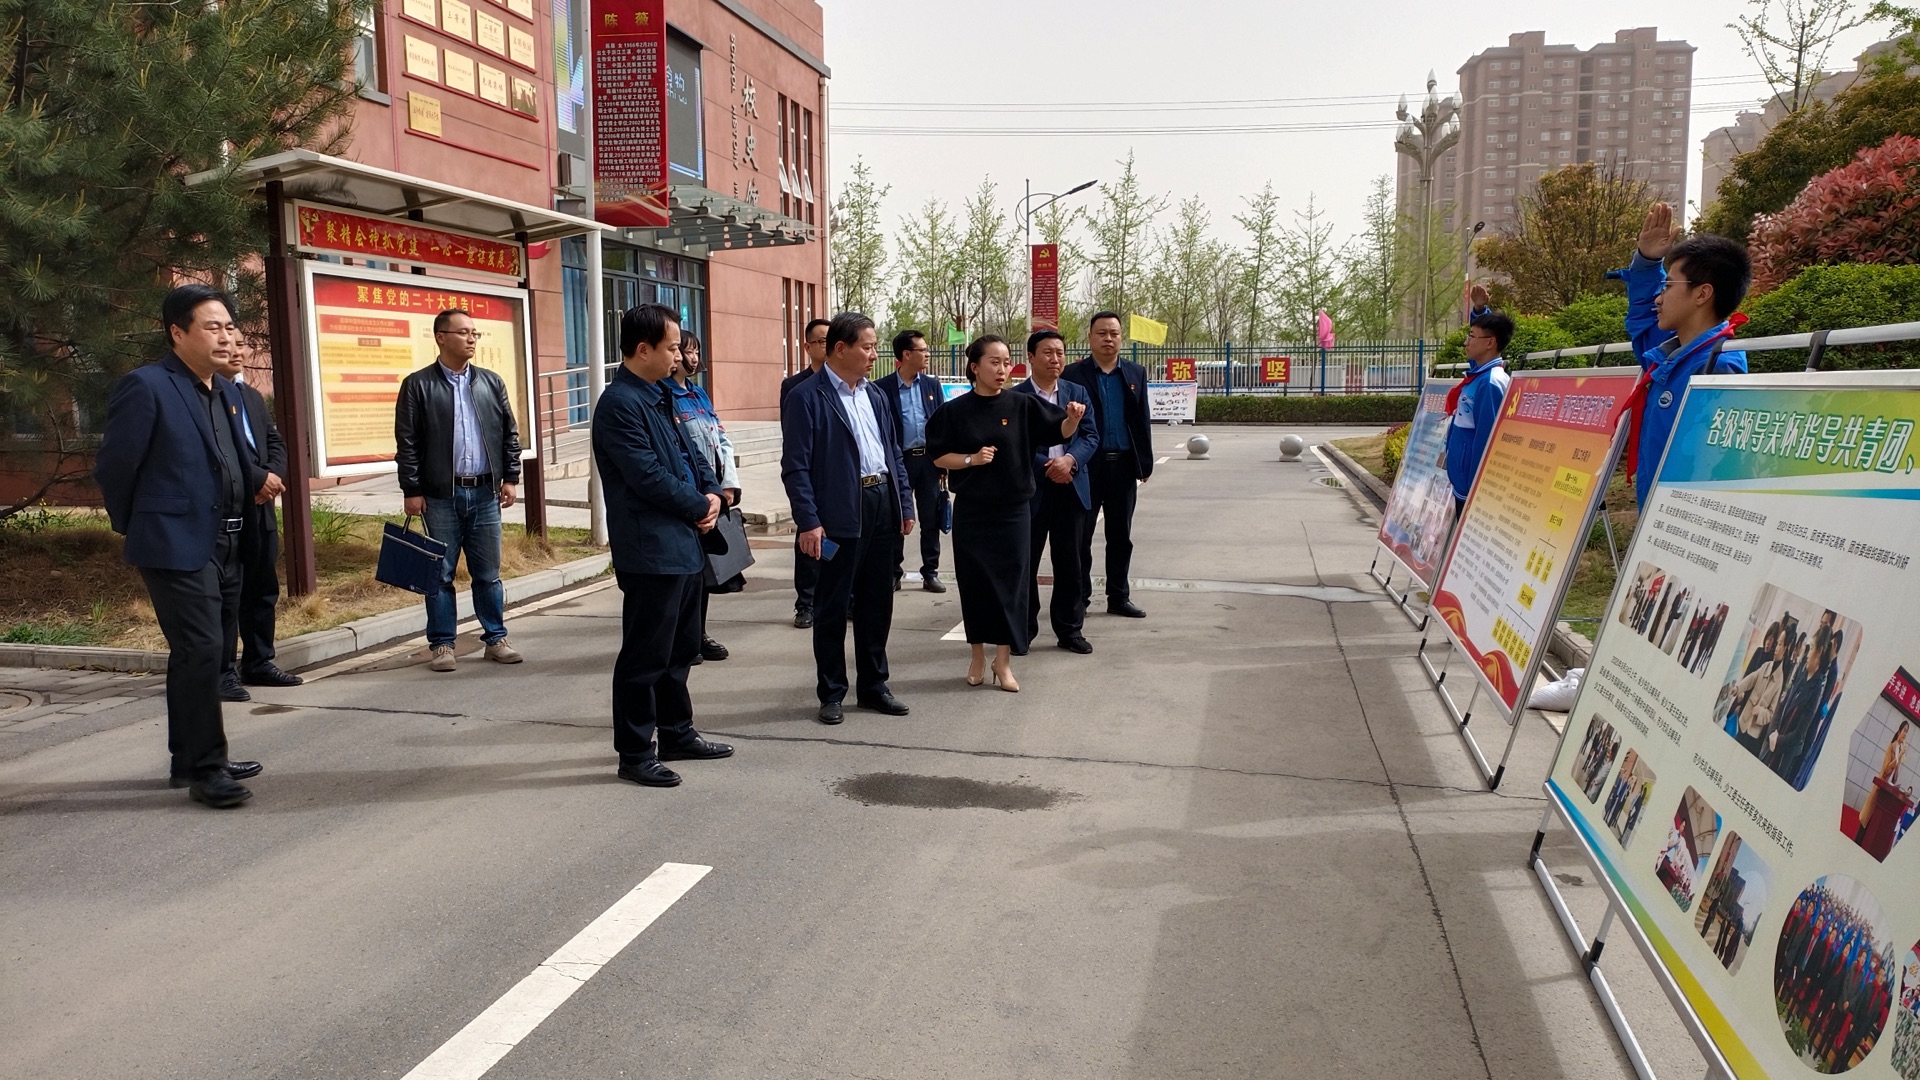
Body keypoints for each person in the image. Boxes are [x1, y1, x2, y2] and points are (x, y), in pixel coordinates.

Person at [94, 284, 264, 808]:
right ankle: (206, 769)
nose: (225, 336)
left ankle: (190, 758)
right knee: (201, 648)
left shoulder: (224, 391)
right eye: (212, 327)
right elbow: (115, 467)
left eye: (229, 326)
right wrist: (140, 525)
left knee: (206, 652)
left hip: (226, 538)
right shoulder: (147, 386)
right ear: (177, 332)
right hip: (174, 541)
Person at [591, 303, 734, 788]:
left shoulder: (661, 395)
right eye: (672, 347)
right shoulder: (619, 404)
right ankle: (635, 752)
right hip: (651, 549)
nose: (679, 355)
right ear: (643, 349)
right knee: (645, 657)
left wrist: (713, 493)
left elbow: (693, 453)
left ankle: (677, 733)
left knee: (680, 651)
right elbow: (647, 476)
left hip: (685, 544)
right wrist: (698, 505)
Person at [926, 335, 1086, 691]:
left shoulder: (1022, 404)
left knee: (1011, 587)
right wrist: (971, 460)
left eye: (1006, 362)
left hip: (1013, 512)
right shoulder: (954, 411)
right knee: (975, 585)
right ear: (975, 367)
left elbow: (1057, 429)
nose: (1002, 369)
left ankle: (1003, 661)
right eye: (994, 362)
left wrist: (1073, 420)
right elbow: (938, 455)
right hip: (973, 512)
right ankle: (977, 656)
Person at [781, 312, 915, 724]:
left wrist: (904, 502)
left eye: (875, 347)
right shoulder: (807, 397)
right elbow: (796, 466)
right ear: (840, 349)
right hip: (838, 511)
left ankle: (874, 685)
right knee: (833, 605)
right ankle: (832, 691)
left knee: (877, 603)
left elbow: (893, 453)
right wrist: (809, 521)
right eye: (867, 347)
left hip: (881, 503)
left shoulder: (875, 395)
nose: (874, 354)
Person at [394, 307, 525, 672]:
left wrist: (510, 477)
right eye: (464, 332)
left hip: (485, 493)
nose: (471, 338)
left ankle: (495, 638)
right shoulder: (418, 385)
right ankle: (442, 644)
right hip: (440, 495)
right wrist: (412, 489)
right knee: (440, 574)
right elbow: (407, 443)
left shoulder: (490, 382)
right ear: (441, 337)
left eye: (474, 333)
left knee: (488, 573)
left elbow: (509, 434)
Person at [1618, 203, 1752, 508]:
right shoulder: (1672, 356)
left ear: (1702, 294)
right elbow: (1643, 322)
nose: (1658, 298)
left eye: (1667, 286)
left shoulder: (1716, 370)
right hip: (1657, 515)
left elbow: (1709, 469)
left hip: (1681, 521)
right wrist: (1647, 262)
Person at [211, 345, 302, 701]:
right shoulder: (207, 396)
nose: (236, 351)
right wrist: (257, 479)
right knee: (227, 595)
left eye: (240, 343)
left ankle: (259, 661)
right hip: (229, 507)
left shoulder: (249, 395)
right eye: (226, 343)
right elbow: (217, 452)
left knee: (262, 588)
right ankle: (222, 672)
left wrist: (272, 476)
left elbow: (274, 442)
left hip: (261, 508)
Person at [1061, 311, 1153, 619]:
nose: (1108, 339)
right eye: (1102, 333)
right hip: (1087, 466)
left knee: (1120, 536)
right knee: (1081, 536)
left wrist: (1144, 463)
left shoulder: (1135, 373)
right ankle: (1080, 598)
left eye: (1114, 333)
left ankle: (1118, 596)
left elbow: (1141, 420)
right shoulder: (1073, 374)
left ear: (1121, 338)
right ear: (1090, 337)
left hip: (1123, 465)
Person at [1014, 330, 1099, 655]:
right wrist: (1048, 465)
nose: (1055, 359)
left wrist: (1070, 461)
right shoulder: (1018, 397)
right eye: (1047, 353)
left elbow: (1090, 436)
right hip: (1033, 489)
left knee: (1071, 562)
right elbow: (1015, 443)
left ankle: (1070, 630)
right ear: (1031, 357)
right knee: (1026, 563)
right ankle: (1024, 630)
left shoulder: (1077, 392)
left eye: (1060, 353)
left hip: (1071, 487)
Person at [667, 330, 740, 664]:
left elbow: (720, 439)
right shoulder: (664, 396)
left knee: (705, 571)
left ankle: (698, 633)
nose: (693, 358)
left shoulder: (698, 395)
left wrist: (727, 485)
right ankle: (681, 637)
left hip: (710, 494)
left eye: (697, 351)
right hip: (687, 496)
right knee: (686, 573)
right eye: (686, 351)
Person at [874, 329, 949, 593]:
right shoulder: (882, 388)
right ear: (906, 354)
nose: (927, 354)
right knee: (896, 518)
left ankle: (930, 571)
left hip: (928, 461)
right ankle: (894, 572)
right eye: (923, 350)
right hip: (899, 461)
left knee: (931, 518)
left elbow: (941, 425)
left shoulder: (931, 385)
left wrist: (942, 462)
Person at [779, 317, 832, 629]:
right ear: (808, 346)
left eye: (831, 340)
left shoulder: (844, 383)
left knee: (838, 542)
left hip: (838, 476)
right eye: (821, 341)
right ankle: (806, 603)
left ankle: (842, 599)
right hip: (810, 475)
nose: (827, 346)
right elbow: (793, 436)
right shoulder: (795, 387)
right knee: (809, 538)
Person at [1438, 307, 1514, 516]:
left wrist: (1475, 489)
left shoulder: (1489, 383)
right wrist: (1480, 310)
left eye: (1471, 336)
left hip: (1471, 487)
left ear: (1490, 343)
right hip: (1462, 478)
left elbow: (1485, 440)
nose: (1466, 342)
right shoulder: (1480, 373)